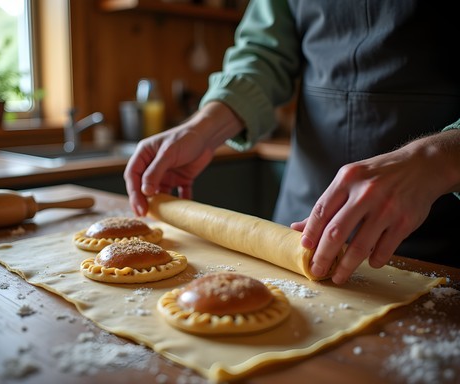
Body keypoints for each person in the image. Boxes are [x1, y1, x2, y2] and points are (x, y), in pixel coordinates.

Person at [124, 1, 460, 284]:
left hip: (441, 236)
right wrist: (203, 127)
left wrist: (436, 159)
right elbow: (264, 51)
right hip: (301, 220)